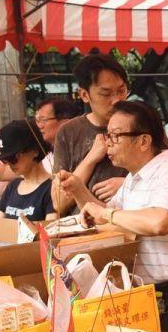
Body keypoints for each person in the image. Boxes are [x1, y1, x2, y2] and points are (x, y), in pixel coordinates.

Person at [60, 102, 168, 332]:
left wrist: (106, 214)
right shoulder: (134, 178)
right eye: (108, 136)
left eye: (115, 136)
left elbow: (159, 222)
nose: (108, 144)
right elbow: (107, 222)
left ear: (143, 141)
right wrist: (78, 189)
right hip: (143, 296)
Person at [52, 54, 130, 216]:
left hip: (128, 228)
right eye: (106, 93)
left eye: (121, 91)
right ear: (84, 95)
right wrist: (91, 159)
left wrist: (128, 185)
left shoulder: (145, 124)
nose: (117, 100)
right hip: (79, 229)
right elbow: (59, 203)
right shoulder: (68, 132)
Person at [0, 120, 54, 222]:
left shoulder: (52, 188)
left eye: (13, 158)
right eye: (4, 160)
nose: (9, 164)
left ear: (34, 151)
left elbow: (50, 229)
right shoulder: (13, 186)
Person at [32, 97, 83, 173]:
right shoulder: (47, 158)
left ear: (65, 123)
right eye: (38, 121)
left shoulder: (81, 152)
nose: (40, 126)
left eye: (43, 120)